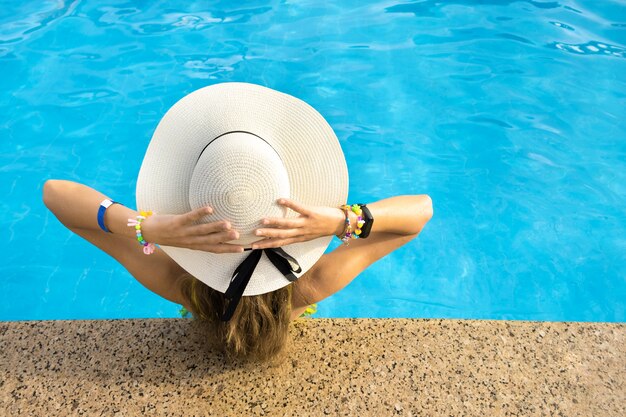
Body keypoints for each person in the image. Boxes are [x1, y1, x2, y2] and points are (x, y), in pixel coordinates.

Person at [43, 83, 433, 363]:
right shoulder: (309, 286)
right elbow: (419, 213)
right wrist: (343, 221)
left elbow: (55, 194)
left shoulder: (179, 284)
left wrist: (144, 227)